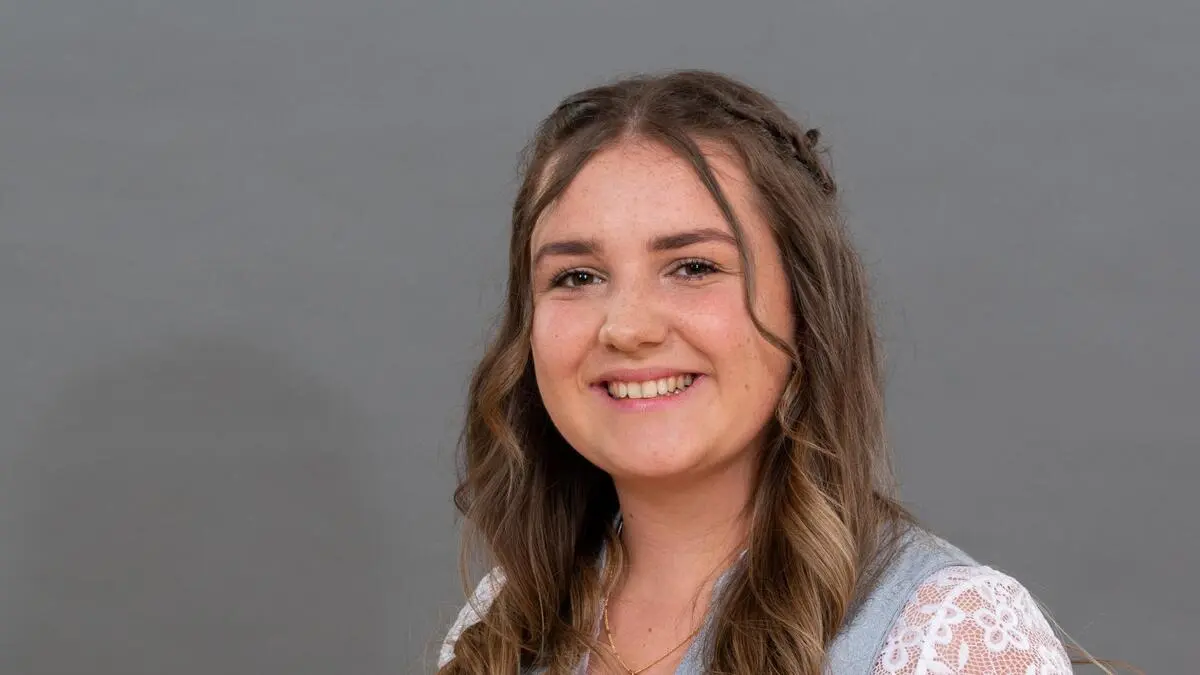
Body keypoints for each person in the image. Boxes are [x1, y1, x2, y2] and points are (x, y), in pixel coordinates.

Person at [436, 70, 1095, 674]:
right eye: (577, 276)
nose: (627, 327)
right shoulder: (502, 625)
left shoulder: (949, 638)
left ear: (806, 307)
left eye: (694, 267)